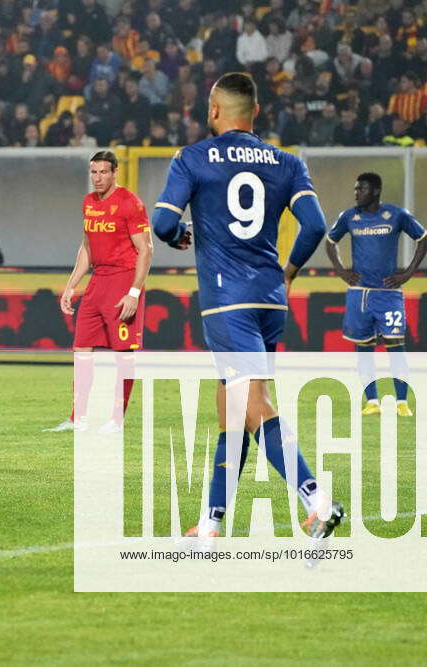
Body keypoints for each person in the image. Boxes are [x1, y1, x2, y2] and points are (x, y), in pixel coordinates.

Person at [151, 72, 343, 542]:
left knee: (252, 405)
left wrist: (181, 237)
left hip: (226, 301)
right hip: (270, 297)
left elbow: (161, 222)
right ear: (254, 113)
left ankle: (317, 501)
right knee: (231, 408)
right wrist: (290, 270)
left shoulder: (192, 159)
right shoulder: (287, 162)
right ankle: (212, 522)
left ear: (214, 110)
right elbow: (315, 226)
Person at [44, 151, 152, 435]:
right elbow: (87, 248)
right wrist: (71, 285)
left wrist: (134, 292)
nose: (97, 178)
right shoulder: (89, 203)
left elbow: (146, 249)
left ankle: (116, 421)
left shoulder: (130, 203)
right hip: (98, 281)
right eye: (94, 172)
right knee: (82, 350)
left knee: (123, 354)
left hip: (122, 280)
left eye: (103, 172)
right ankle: (77, 418)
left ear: (116, 172)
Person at [325, 172, 427, 417]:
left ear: (375, 191)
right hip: (360, 294)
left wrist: (407, 274)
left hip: (388, 294)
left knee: (396, 345)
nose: (356, 193)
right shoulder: (349, 217)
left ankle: (401, 402)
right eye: (355, 189)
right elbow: (330, 242)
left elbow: (424, 240)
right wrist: (341, 271)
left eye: (360, 189)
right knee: (364, 348)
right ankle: (372, 401)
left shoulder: (396, 215)